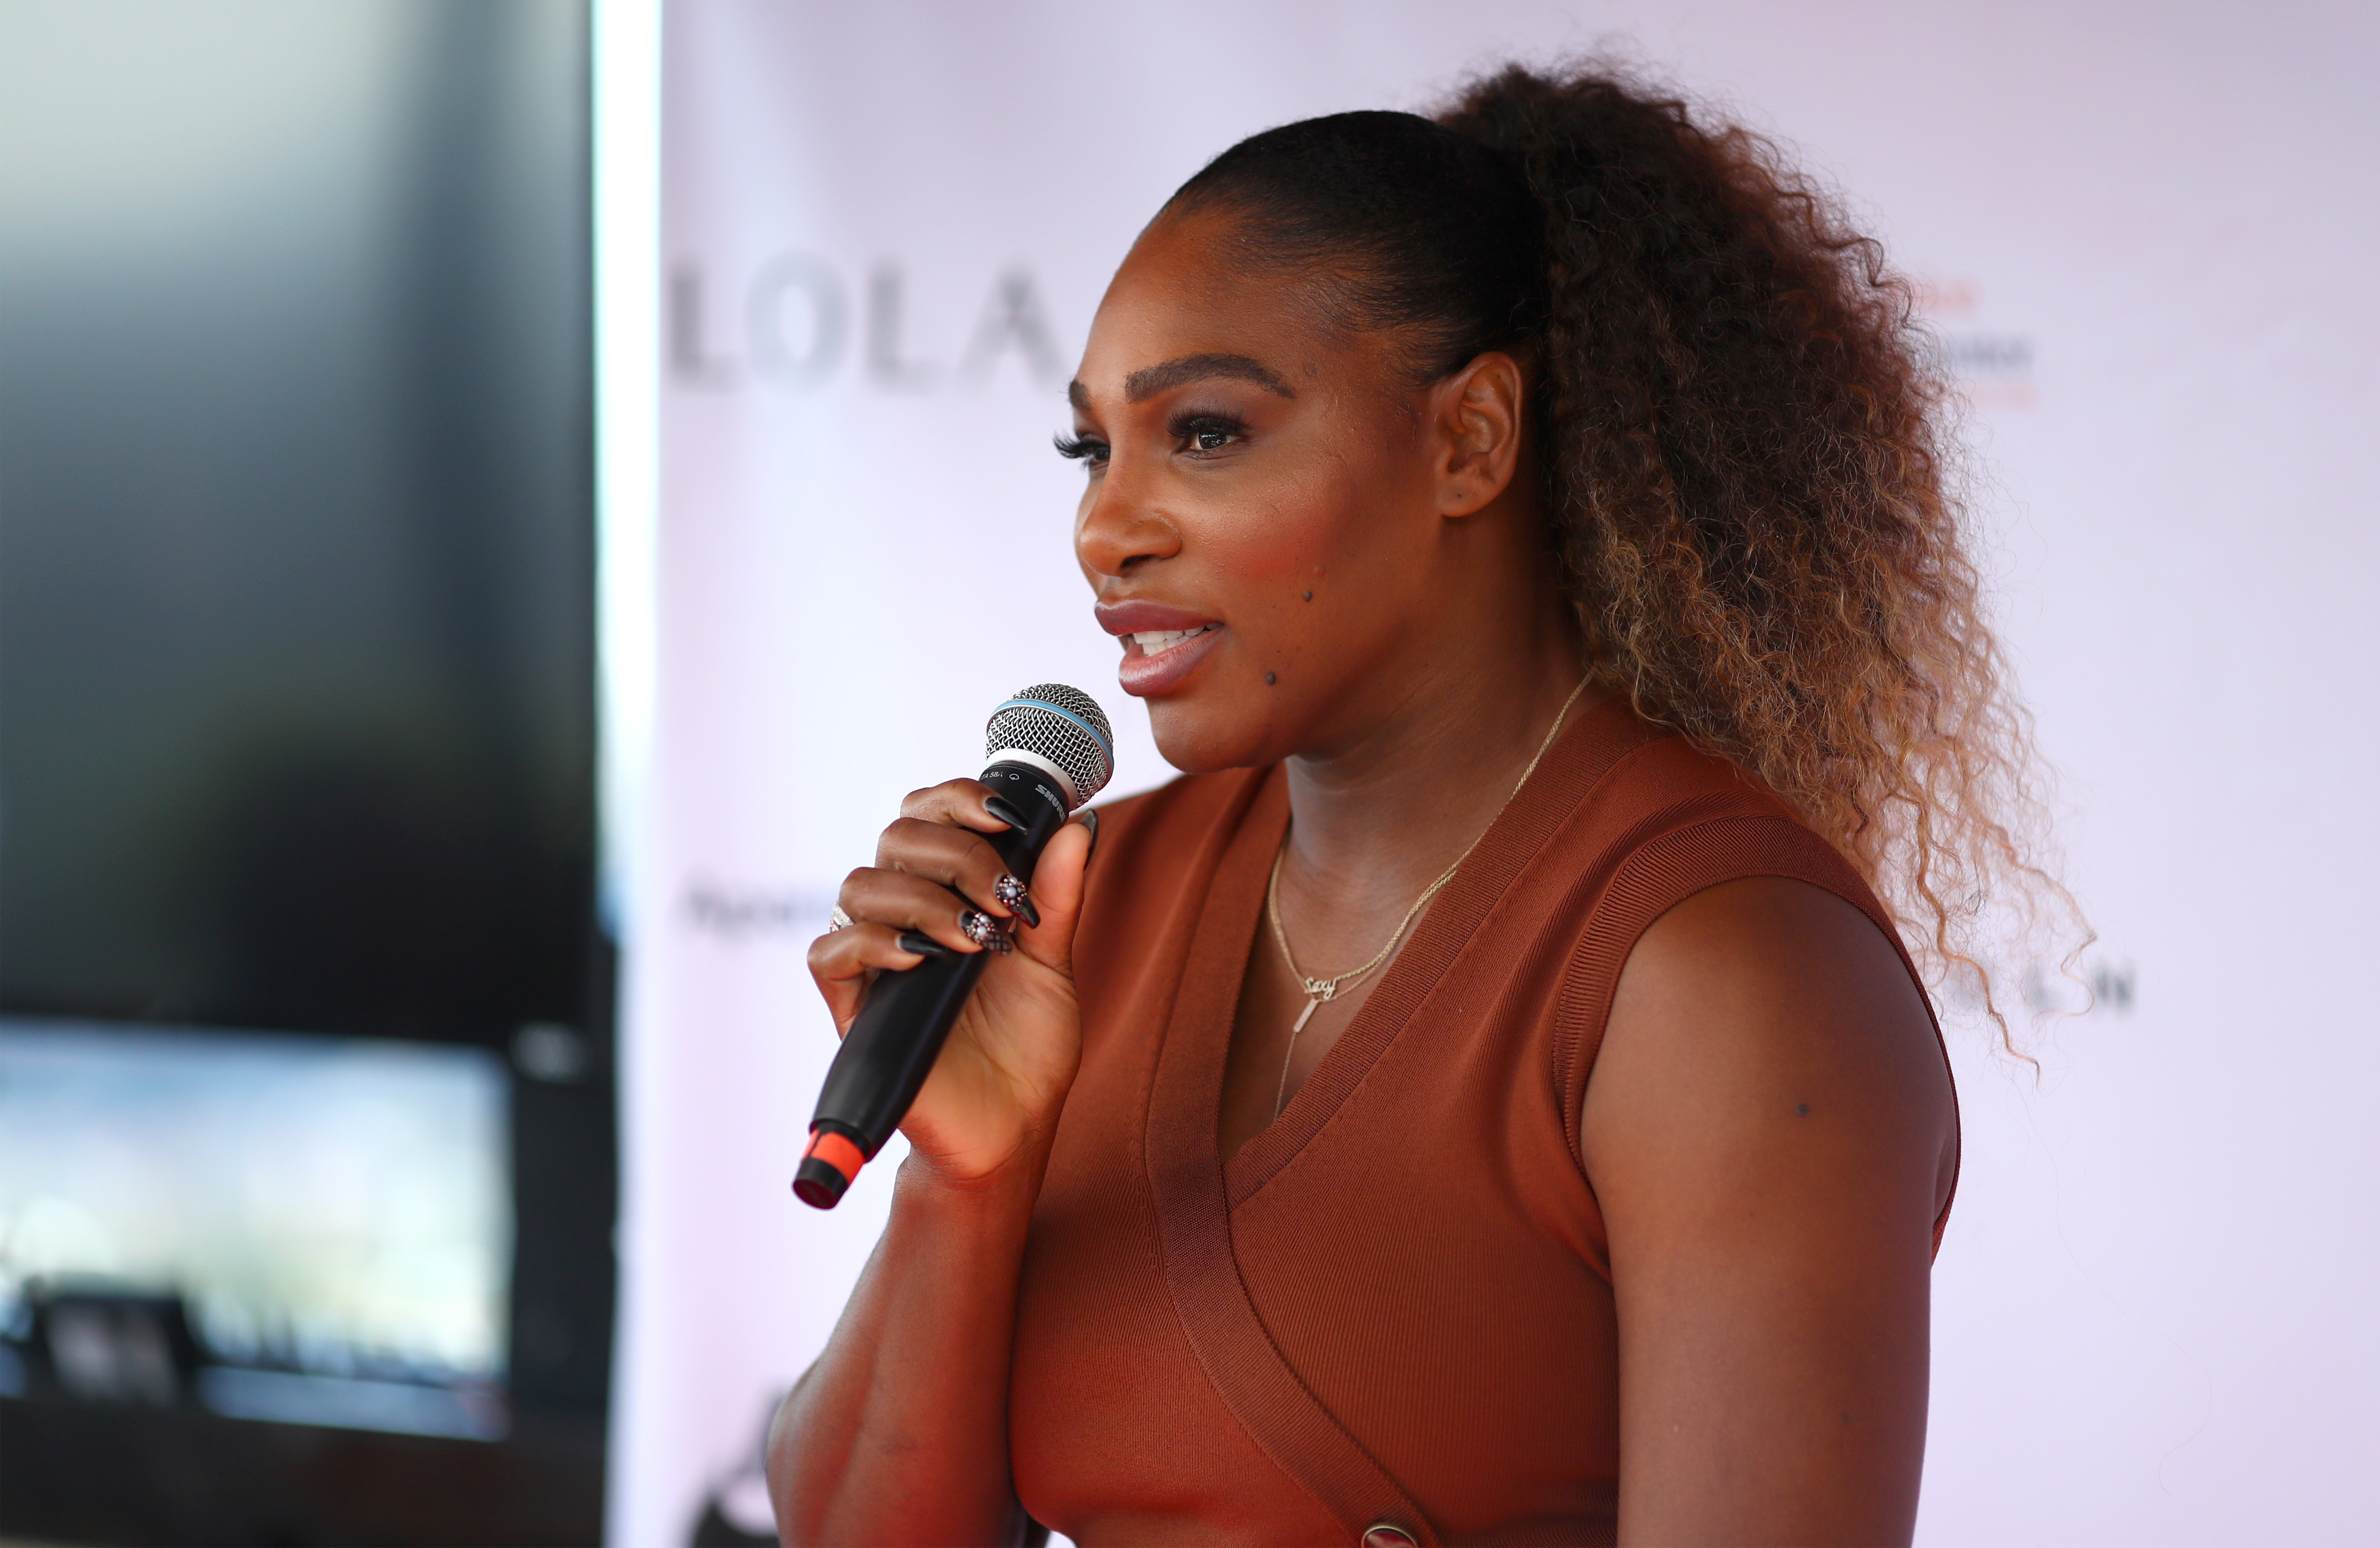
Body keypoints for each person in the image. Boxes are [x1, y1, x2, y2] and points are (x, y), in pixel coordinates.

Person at [771, 60, 2060, 1547]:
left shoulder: (1718, 971)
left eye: (1202, 431)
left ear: (1468, 442)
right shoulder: (1083, 902)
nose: (1103, 529)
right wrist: (963, 1179)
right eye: (1091, 449)